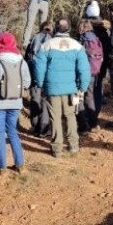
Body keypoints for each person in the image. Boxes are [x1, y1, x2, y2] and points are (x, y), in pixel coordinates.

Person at [33, 18, 91, 153]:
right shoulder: (77, 46)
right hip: (71, 88)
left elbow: (39, 67)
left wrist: (40, 84)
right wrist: (82, 87)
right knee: (70, 116)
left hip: (52, 88)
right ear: (70, 29)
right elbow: (84, 69)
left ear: (55, 29)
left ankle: (57, 148)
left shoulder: (47, 45)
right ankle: (73, 145)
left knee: (55, 117)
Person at [0, 32, 30, 171]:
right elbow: (28, 83)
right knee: (12, 131)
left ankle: (2, 167)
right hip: (16, 102)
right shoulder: (22, 62)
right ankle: (20, 164)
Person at [83, 2, 112, 118]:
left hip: (88, 64)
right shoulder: (106, 28)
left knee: (88, 90)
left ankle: (87, 114)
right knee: (98, 87)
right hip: (102, 64)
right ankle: (96, 113)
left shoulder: (85, 26)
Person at [25, 20, 53, 137]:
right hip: (47, 75)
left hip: (33, 74)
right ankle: (44, 128)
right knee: (46, 101)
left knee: (35, 99)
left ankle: (35, 125)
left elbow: (26, 58)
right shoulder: (53, 41)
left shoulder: (34, 39)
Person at [76, 21, 102, 132]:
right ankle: (94, 123)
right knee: (90, 97)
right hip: (94, 72)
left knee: (78, 98)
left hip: (83, 72)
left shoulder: (83, 40)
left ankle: (82, 126)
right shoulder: (96, 39)